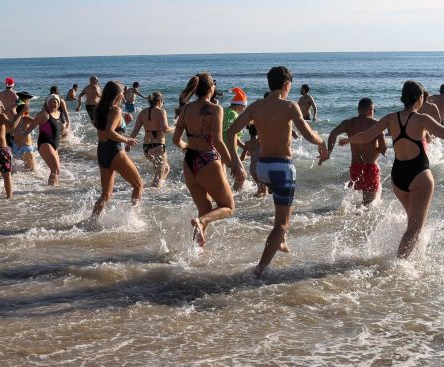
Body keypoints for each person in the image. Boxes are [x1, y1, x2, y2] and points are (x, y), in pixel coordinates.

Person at [341, 81, 444, 258]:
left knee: (413, 225)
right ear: (419, 98)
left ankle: (412, 260)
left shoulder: (390, 117)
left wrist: (348, 140)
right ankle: (398, 265)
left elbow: (365, 136)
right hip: (419, 175)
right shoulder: (422, 119)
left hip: (398, 177)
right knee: (415, 229)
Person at [226, 66, 328, 276]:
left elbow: (230, 132)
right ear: (286, 85)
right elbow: (308, 135)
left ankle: (280, 241)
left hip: (262, 168)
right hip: (281, 168)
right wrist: (322, 143)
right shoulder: (289, 106)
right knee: (282, 223)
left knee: (280, 212)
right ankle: (260, 269)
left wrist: (236, 162)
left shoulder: (256, 106)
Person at [173, 72, 238, 245]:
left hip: (189, 161)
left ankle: (196, 251)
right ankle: (201, 222)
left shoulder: (186, 109)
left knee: (205, 208)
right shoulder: (216, 109)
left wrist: (187, 147)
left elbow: (176, 140)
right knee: (228, 207)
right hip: (207, 160)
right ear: (211, 88)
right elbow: (217, 140)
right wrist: (232, 164)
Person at [92, 81, 144, 215]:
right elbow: (110, 132)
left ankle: (92, 221)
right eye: (122, 92)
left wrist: (124, 122)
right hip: (115, 151)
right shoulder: (116, 110)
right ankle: (131, 218)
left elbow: (107, 130)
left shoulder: (99, 109)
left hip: (102, 151)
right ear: (117, 95)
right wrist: (128, 140)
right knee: (138, 185)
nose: (124, 95)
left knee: (106, 195)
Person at [324, 97, 387, 205]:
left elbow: (333, 134)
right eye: (374, 110)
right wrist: (378, 150)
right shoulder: (376, 125)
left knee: (355, 203)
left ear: (358, 109)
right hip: (370, 167)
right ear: (371, 110)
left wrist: (329, 152)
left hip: (355, 167)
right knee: (368, 204)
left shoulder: (348, 123)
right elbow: (383, 147)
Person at [130, 91, 172, 187]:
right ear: (159, 101)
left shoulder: (142, 113)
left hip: (146, 147)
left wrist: (128, 144)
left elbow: (135, 130)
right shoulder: (161, 111)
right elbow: (165, 129)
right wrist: (176, 127)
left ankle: (154, 188)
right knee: (159, 175)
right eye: (162, 102)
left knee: (165, 169)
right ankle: (153, 191)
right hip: (158, 146)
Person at [32, 95, 65, 186]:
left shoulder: (59, 114)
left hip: (54, 145)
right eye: (50, 102)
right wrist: (22, 135)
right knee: (54, 169)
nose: (52, 104)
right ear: (47, 103)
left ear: (58, 104)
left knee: (57, 170)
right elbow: (32, 124)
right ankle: (51, 189)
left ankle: (52, 189)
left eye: (55, 102)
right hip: (45, 143)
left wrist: (65, 129)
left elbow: (60, 129)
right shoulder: (44, 114)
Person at [11, 100, 37, 173]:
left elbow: (12, 110)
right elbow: (37, 121)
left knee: (20, 171)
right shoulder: (27, 118)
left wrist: (17, 103)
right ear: (24, 111)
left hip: (15, 148)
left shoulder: (14, 118)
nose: (29, 111)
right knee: (32, 171)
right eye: (28, 110)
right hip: (26, 148)